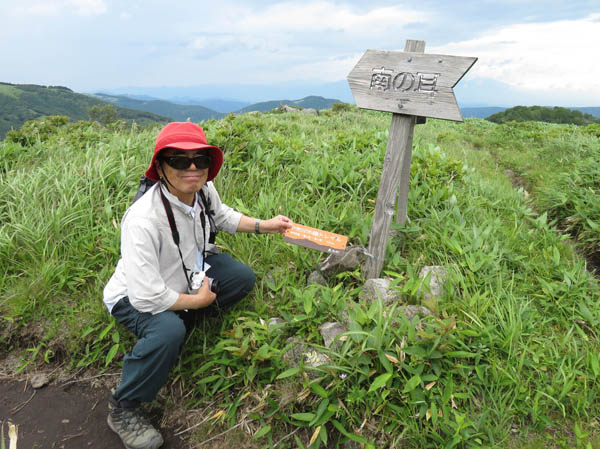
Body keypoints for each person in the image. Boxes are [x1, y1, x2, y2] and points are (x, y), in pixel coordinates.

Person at [102, 121, 292, 449]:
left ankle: (180, 325)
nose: (192, 168)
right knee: (168, 331)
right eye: (179, 160)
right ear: (160, 167)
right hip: (133, 296)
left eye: (200, 160)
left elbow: (222, 217)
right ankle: (124, 407)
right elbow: (145, 296)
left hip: (187, 272)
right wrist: (198, 302)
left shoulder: (202, 190)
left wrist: (266, 225)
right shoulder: (142, 219)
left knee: (242, 278)